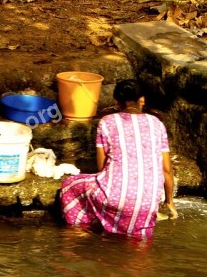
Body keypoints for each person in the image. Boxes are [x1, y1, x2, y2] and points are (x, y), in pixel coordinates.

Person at [59, 80, 177, 238]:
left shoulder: (107, 122)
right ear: (142, 100)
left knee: (69, 186)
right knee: (139, 244)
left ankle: (81, 231)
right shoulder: (157, 124)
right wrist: (169, 201)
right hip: (148, 203)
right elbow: (167, 170)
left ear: (117, 103)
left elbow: (102, 167)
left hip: (115, 198)